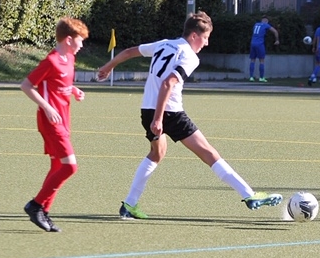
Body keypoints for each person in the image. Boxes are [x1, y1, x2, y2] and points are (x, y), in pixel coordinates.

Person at [97, 12, 282, 219]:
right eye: (205, 37)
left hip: (147, 109)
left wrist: (107, 67)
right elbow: (168, 83)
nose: (207, 43)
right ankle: (249, 195)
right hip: (170, 112)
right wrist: (159, 118)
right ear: (194, 35)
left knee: (157, 153)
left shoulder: (164, 44)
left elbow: (130, 51)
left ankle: (130, 205)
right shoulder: (189, 56)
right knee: (209, 153)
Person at [20, 17, 89, 232]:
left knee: (58, 166)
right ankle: (35, 205)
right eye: (80, 40)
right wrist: (47, 107)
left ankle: (44, 211)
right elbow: (26, 85)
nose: (82, 45)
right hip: (51, 122)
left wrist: (73, 90)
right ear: (69, 39)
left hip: (64, 119)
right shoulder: (51, 61)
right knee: (70, 166)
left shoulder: (69, 58)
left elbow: (60, 83)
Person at [249, 15, 279, 82]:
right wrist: (277, 40)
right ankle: (261, 77)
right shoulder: (266, 25)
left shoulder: (256, 24)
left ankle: (251, 77)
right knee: (261, 61)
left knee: (252, 60)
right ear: (266, 21)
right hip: (260, 44)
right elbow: (275, 31)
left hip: (252, 43)